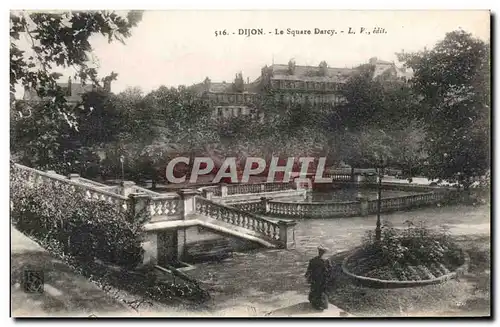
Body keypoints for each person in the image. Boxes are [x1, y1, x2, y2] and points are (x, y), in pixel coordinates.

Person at [305, 245, 332, 310]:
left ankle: (315, 303)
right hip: (322, 279)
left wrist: (307, 276)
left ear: (319, 252)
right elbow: (330, 270)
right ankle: (322, 304)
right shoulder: (326, 261)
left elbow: (309, 270)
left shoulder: (313, 260)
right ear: (324, 253)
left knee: (315, 289)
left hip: (315, 278)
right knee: (321, 291)